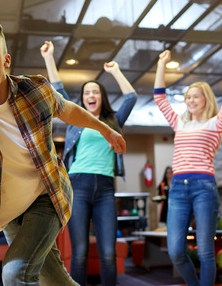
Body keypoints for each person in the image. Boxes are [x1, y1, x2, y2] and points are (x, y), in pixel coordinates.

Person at [0, 13, 126, 286]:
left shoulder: (34, 90)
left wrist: (105, 129)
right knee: (55, 281)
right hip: (8, 212)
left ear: (6, 59)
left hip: (47, 194)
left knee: (15, 275)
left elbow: (68, 110)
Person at [40, 41, 137, 286]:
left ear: (101, 97)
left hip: (105, 189)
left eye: (95, 92)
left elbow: (132, 96)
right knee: (80, 253)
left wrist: (115, 71)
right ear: (82, 100)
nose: (91, 96)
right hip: (78, 186)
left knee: (107, 253)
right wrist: (49, 57)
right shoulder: (76, 119)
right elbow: (58, 89)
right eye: (87, 93)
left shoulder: (114, 120)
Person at [153, 44, 222, 286]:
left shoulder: (217, 123)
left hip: (203, 186)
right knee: (175, 250)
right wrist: (161, 65)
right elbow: (159, 96)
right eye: (187, 96)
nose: (190, 100)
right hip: (177, 189)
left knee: (206, 250)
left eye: (195, 95)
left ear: (206, 98)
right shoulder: (179, 123)